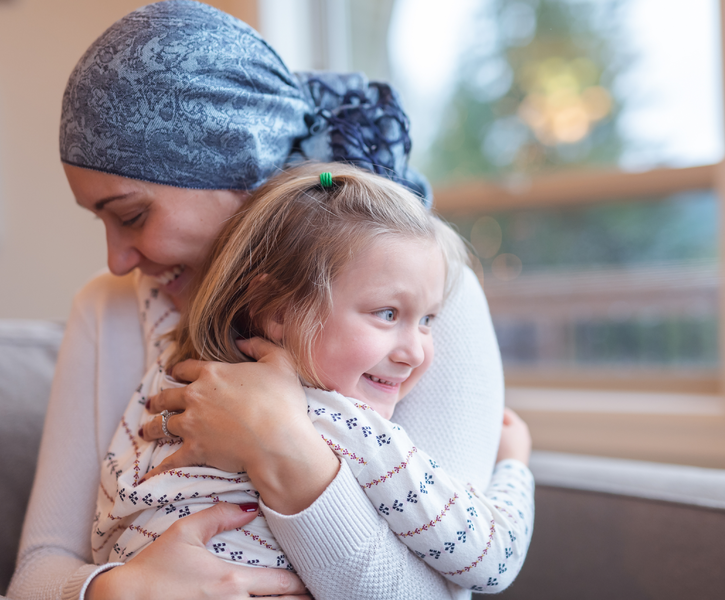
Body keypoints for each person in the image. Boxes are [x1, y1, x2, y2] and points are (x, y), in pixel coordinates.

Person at [9, 2, 520, 599]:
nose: (118, 259)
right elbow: (41, 567)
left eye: (131, 215)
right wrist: (116, 590)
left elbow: (451, 585)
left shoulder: (421, 304)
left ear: (237, 161)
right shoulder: (108, 308)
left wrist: (282, 447)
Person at [94, 163, 533, 593]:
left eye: (427, 321)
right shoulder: (348, 426)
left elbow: (102, 537)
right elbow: (491, 560)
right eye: (387, 314)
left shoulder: (168, 378)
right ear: (277, 310)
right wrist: (513, 465)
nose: (415, 352)